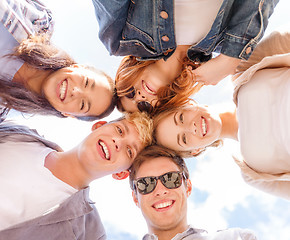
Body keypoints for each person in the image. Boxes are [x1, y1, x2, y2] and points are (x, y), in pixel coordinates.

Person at [153, 29, 290, 201]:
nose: (191, 127)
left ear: (189, 104)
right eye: (184, 139)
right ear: (196, 151)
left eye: (180, 118)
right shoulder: (253, 175)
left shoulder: (244, 68)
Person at [92, 0, 278, 113]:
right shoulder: (224, 44)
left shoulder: (120, 38)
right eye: (144, 107)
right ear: (164, 106)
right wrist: (231, 58)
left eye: (129, 93)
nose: (139, 97)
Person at [0, 111, 153, 239]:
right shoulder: (16, 131)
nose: (117, 142)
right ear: (98, 126)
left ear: (120, 173)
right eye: (120, 130)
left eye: (129, 151)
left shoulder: (90, 234)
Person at [0, 0, 115, 122]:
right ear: (78, 67)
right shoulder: (40, 21)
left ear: (67, 114)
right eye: (86, 82)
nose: (75, 91)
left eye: (82, 104)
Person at [129, 145, 257, 240]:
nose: (161, 191)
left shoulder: (236, 238)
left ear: (188, 187)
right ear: (135, 198)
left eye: (171, 179)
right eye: (146, 183)